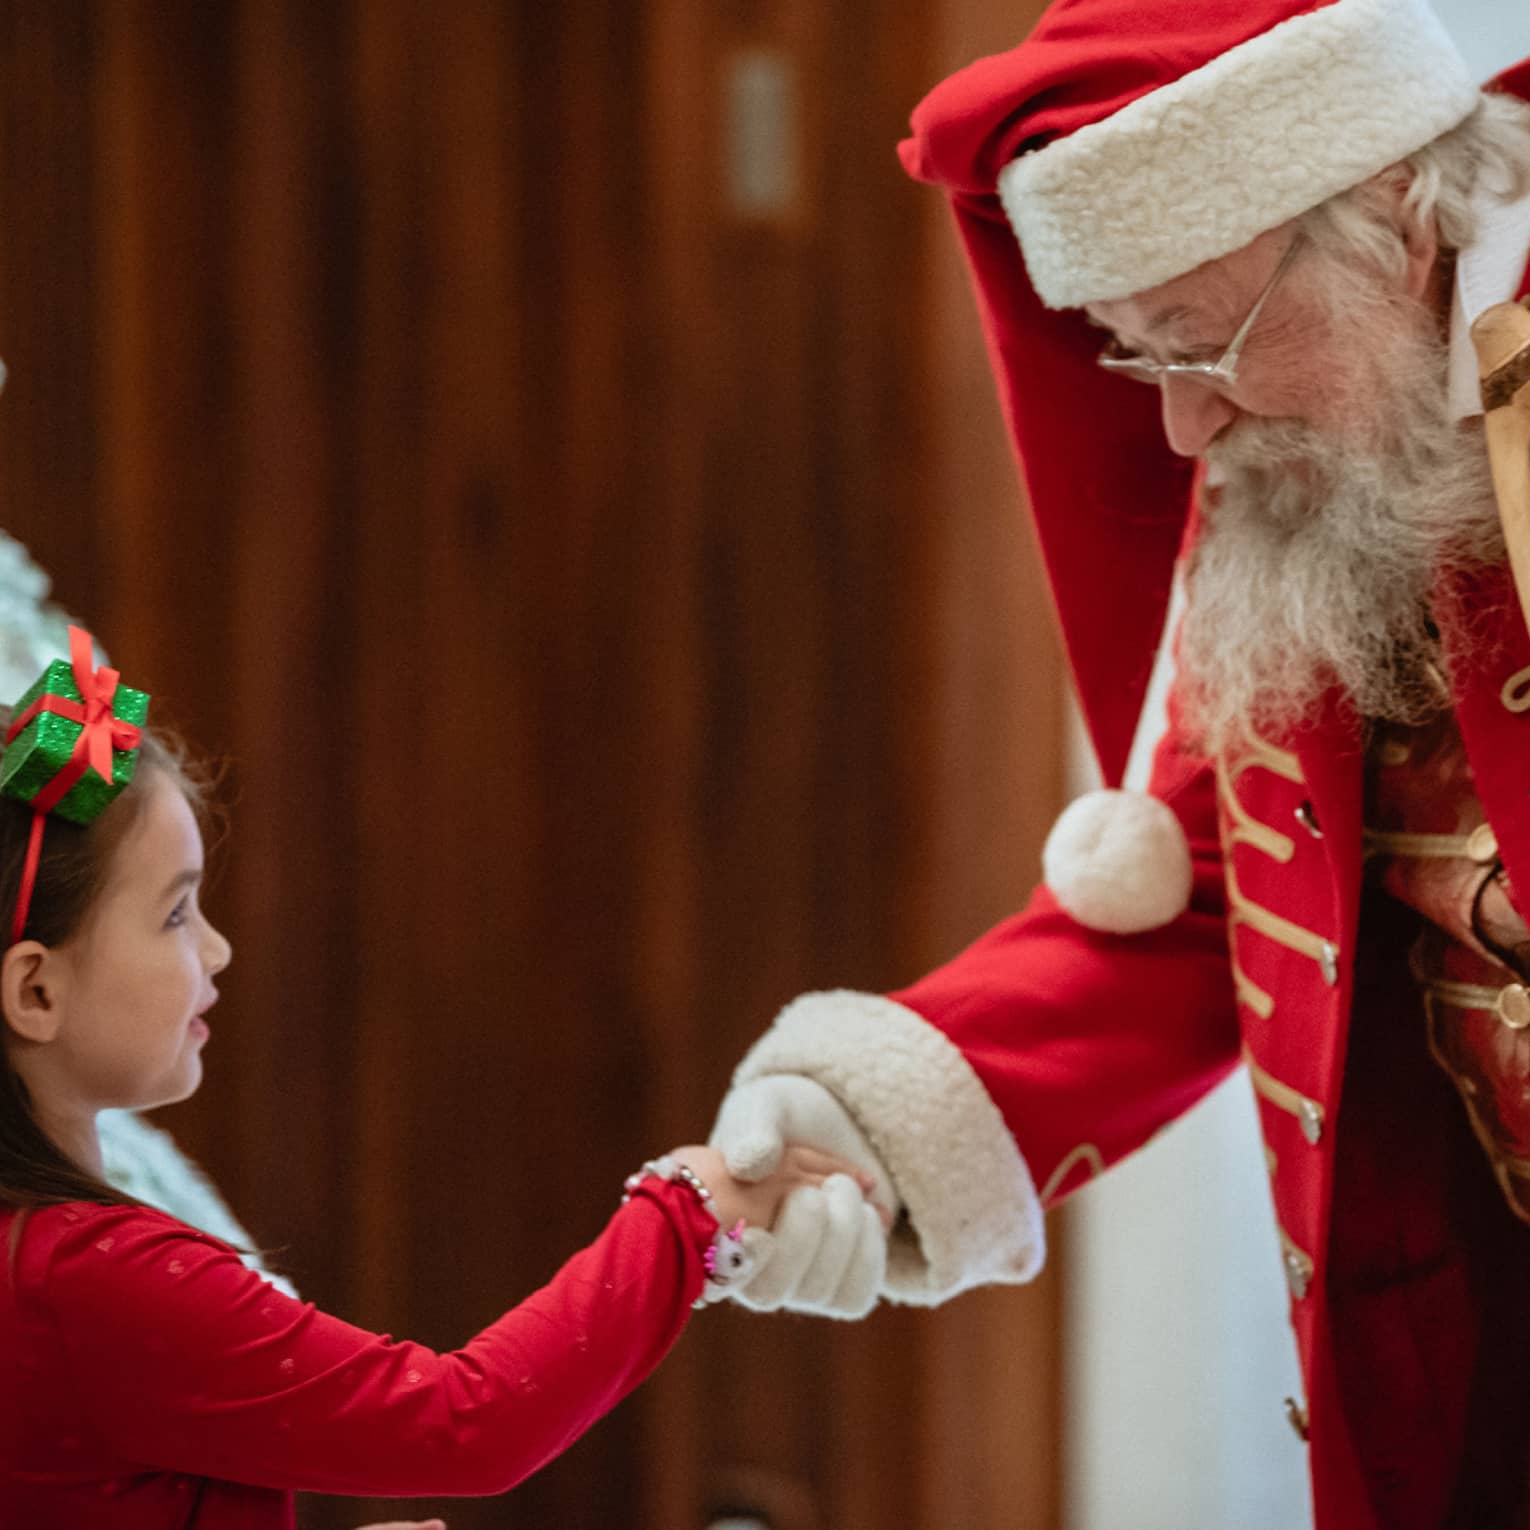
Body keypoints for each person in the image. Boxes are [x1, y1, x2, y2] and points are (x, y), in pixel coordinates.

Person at [704, 1, 1530, 1524]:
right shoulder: (1317, 476)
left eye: (1205, 341)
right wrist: (867, 1130)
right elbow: (1212, 885)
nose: (1180, 424)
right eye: (1131, 353)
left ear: (1400, 221)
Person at [0, 627, 878, 1526]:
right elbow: (467, 1420)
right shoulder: (93, 1281)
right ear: (36, 989)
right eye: (175, 913)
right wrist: (690, 1211)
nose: (217, 950)